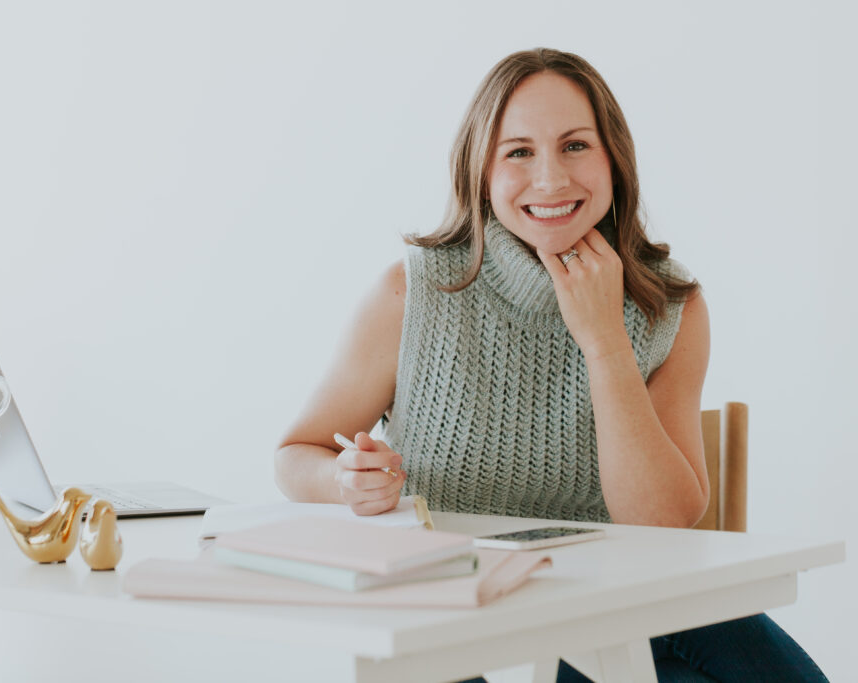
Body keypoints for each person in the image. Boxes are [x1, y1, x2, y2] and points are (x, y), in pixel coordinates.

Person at [274, 48, 826, 682]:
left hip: (601, 611)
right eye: (518, 152)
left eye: (574, 146)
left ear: (613, 157)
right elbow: (296, 453)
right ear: (480, 171)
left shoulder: (671, 305)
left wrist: (604, 340)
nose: (551, 180)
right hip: (448, 610)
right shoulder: (411, 294)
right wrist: (344, 481)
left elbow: (665, 524)